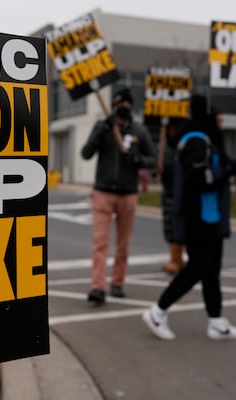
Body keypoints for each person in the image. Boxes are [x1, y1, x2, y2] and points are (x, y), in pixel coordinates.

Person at [142, 95, 236, 340]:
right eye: (218, 114)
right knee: (198, 268)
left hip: (209, 216)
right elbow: (198, 179)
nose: (222, 119)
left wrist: (234, 166)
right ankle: (157, 312)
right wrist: (230, 170)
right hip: (198, 216)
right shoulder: (196, 141)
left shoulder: (204, 139)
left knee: (211, 269)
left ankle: (217, 321)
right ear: (208, 115)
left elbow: (210, 171)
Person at [81, 87, 157, 305]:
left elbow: (152, 160)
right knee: (100, 243)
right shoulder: (103, 127)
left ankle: (117, 282)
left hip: (127, 193)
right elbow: (86, 154)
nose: (121, 109)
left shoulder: (139, 131)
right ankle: (97, 286)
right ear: (113, 107)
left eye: (125, 105)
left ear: (131, 107)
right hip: (103, 191)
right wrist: (100, 131)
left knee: (123, 244)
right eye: (117, 105)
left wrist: (137, 160)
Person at [156, 118, 185, 274]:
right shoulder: (164, 148)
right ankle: (175, 258)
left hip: (181, 191)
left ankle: (178, 258)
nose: (171, 132)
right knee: (170, 226)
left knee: (180, 226)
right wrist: (159, 170)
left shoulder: (184, 147)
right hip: (169, 192)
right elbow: (156, 167)